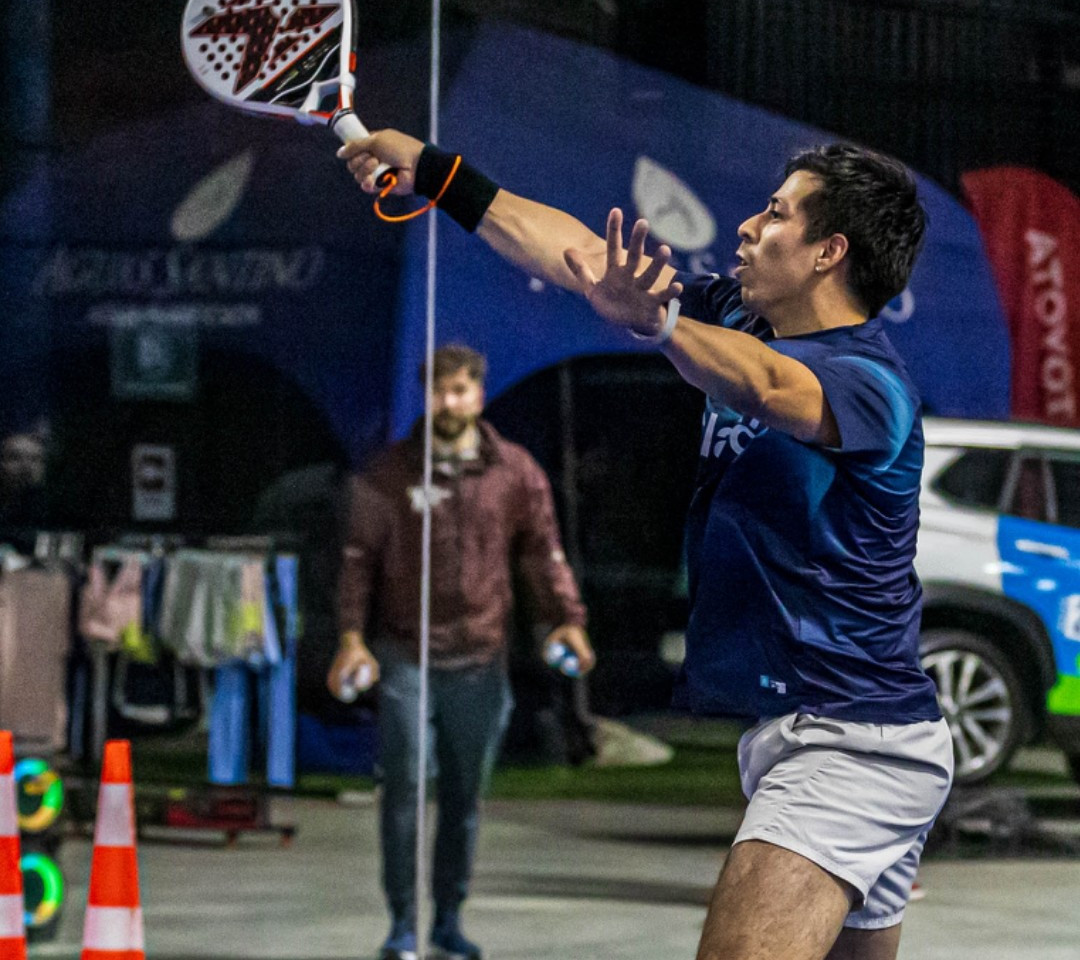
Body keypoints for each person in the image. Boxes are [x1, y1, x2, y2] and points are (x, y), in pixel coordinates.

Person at [337, 133, 954, 960]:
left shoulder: (869, 383)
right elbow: (578, 255)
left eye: (776, 214)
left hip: (849, 742)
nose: (747, 227)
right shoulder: (737, 317)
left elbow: (766, 384)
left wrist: (662, 324)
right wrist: (437, 173)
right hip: (833, 729)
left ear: (828, 252)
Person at [326, 343, 594, 960]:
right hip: (406, 654)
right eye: (438, 391)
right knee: (404, 788)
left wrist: (566, 621)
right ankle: (402, 924)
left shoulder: (514, 471)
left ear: (479, 394)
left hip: (480, 658)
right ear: (427, 396)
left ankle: (448, 918)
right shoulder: (390, 473)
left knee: (464, 796)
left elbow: (543, 552)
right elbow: (356, 563)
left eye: (460, 390)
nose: (448, 402)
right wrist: (350, 638)